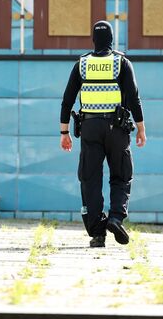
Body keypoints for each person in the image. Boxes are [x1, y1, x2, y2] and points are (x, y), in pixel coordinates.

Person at [60, 20, 146, 248]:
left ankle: (98, 233)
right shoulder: (121, 63)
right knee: (121, 175)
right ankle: (116, 218)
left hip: (89, 128)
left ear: (93, 40)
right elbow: (134, 98)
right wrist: (141, 128)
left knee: (91, 179)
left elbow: (68, 99)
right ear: (111, 40)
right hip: (116, 129)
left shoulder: (82, 64)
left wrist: (64, 131)